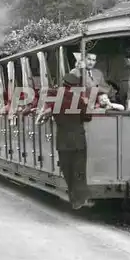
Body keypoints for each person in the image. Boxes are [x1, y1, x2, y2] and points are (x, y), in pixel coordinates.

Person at [52, 72, 95, 210]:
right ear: (75, 87)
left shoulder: (56, 101)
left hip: (63, 140)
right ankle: (80, 199)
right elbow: (88, 117)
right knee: (79, 170)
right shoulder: (79, 100)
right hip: (78, 139)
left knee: (67, 170)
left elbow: (56, 118)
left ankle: (73, 198)